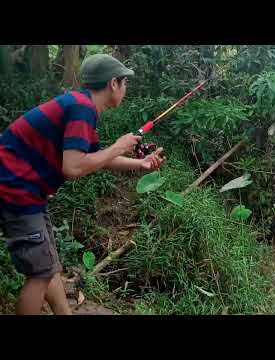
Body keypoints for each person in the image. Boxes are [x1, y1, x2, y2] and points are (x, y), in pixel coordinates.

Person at [0, 54, 166, 315]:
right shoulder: (81, 109)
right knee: (40, 274)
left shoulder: (81, 106)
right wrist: (117, 146)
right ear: (113, 83)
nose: (126, 89)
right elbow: (74, 167)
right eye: (125, 83)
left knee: (47, 266)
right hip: (16, 189)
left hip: (27, 190)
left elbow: (96, 160)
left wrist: (141, 164)